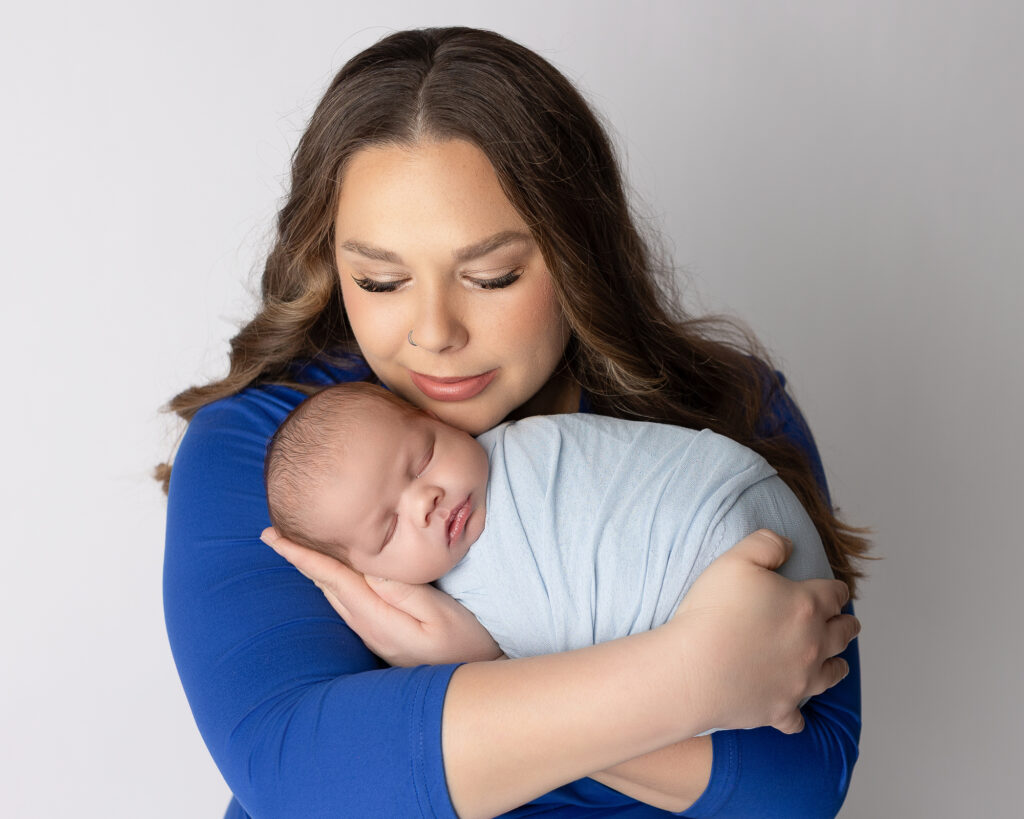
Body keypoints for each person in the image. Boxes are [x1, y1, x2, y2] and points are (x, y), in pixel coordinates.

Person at [160, 26, 867, 819]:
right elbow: (303, 775)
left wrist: (477, 666)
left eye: (491, 274)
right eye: (380, 279)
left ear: (576, 251)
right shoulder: (265, 449)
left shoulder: (731, 411)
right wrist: (693, 675)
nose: (434, 331)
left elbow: (797, 786)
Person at [264, 382, 834, 670]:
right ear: (368, 575)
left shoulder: (534, 444)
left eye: (422, 459)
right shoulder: (458, 613)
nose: (427, 501)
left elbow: (639, 474)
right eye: (388, 530)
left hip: (743, 521)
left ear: (435, 418)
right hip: (740, 647)